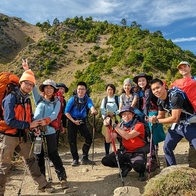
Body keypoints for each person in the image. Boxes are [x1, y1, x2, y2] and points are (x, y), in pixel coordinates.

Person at [0, 69, 54, 195]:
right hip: (8, 137)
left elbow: (28, 117)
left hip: (22, 136)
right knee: (4, 167)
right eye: (27, 83)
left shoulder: (26, 99)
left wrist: (35, 124)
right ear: (21, 82)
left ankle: (43, 184)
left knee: (31, 160)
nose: (29, 87)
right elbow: (9, 121)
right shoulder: (10, 99)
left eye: (31, 84)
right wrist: (29, 125)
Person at [22, 60, 68, 189]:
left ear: (54, 90)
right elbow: (33, 85)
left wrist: (46, 121)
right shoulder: (38, 98)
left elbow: (54, 114)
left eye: (51, 87)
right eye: (46, 87)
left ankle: (62, 177)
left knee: (53, 153)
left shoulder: (57, 101)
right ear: (44, 89)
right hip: (36, 131)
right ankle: (42, 181)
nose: (48, 89)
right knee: (39, 155)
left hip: (50, 131)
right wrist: (27, 70)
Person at [148, 78, 196, 166]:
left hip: (191, 124)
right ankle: (171, 170)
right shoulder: (160, 100)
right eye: (153, 89)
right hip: (178, 126)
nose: (156, 91)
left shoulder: (175, 97)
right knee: (167, 148)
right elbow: (161, 116)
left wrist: (157, 121)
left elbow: (174, 118)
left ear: (164, 86)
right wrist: (154, 118)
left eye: (157, 87)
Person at [101, 105, 147, 181]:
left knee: (138, 166)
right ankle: (125, 167)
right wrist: (107, 126)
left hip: (138, 152)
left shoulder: (139, 125)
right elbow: (108, 140)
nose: (126, 116)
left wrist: (114, 125)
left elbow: (127, 136)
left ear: (133, 115)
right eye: (124, 114)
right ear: (121, 116)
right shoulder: (120, 126)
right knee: (106, 160)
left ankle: (141, 172)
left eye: (129, 114)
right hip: (125, 151)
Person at [133, 73, 165, 171]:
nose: (141, 82)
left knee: (152, 137)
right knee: (148, 137)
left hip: (151, 114)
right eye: (139, 81)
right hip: (145, 115)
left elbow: (146, 104)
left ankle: (154, 160)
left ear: (147, 81)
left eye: (143, 80)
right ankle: (152, 158)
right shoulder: (139, 91)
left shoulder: (148, 91)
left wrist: (145, 117)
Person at [65, 81, 97, 166]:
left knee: (89, 138)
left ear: (86, 90)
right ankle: (75, 159)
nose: (81, 91)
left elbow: (90, 105)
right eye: (79, 89)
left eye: (83, 89)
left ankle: (85, 157)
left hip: (82, 120)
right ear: (76, 90)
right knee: (72, 140)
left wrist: (93, 109)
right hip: (72, 120)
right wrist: (73, 121)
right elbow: (66, 112)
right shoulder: (72, 99)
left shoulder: (87, 99)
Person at [176, 61, 196, 168]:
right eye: (181, 68)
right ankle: (193, 167)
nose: (183, 69)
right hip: (185, 116)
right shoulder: (177, 83)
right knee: (192, 140)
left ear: (190, 67)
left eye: (185, 67)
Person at [100, 83, 119, 155]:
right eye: (108, 89)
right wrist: (105, 117)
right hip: (107, 120)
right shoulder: (104, 99)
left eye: (111, 89)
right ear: (106, 90)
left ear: (114, 90)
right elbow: (102, 110)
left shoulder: (117, 98)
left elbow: (120, 109)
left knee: (119, 136)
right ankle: (107, 154)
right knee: (107, 136)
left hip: (116, 119)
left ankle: (120, 152)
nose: (110, 91)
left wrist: (114, 113)